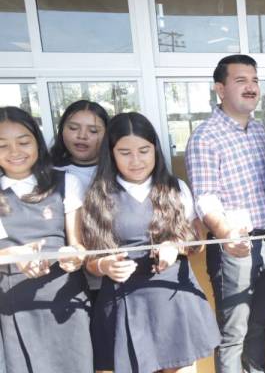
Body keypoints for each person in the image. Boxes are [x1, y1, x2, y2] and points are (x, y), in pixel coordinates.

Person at [82, 112, 220, 373]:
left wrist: (174, 246)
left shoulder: (175, 187)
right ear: (111, 154)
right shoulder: (98, 195)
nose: (136, 160)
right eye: (125, 152)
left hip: (174, 297)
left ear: (155, 149)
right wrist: (105, 266)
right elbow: (90, 260)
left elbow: (196, 241)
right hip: (126, 303)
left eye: (144, 150)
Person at [185, 54, 265, 373]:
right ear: (220, 89)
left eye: (254, 80)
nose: (251, 87)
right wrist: (226, 233)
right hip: (233, 247)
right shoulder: (205, 136)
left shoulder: (258, 132)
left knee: (260, 324)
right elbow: (206, 198)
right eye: (241, 80)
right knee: (233, 334)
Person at [0, 106, 92, 372]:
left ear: (37, 142)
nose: (15, 152)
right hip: (13, 302)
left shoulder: (65, 182)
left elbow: (77, 244)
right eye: (3, 145)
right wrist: (16, 256)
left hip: (64, 298)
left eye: (23, 142)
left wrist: (73, 257)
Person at [49, 99, 109, 300]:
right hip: (64, 281)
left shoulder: (118, 173)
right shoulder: (49, 176)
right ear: (62, 130)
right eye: (73, 128)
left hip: (111, 277)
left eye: (93, 131)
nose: (82, 136)